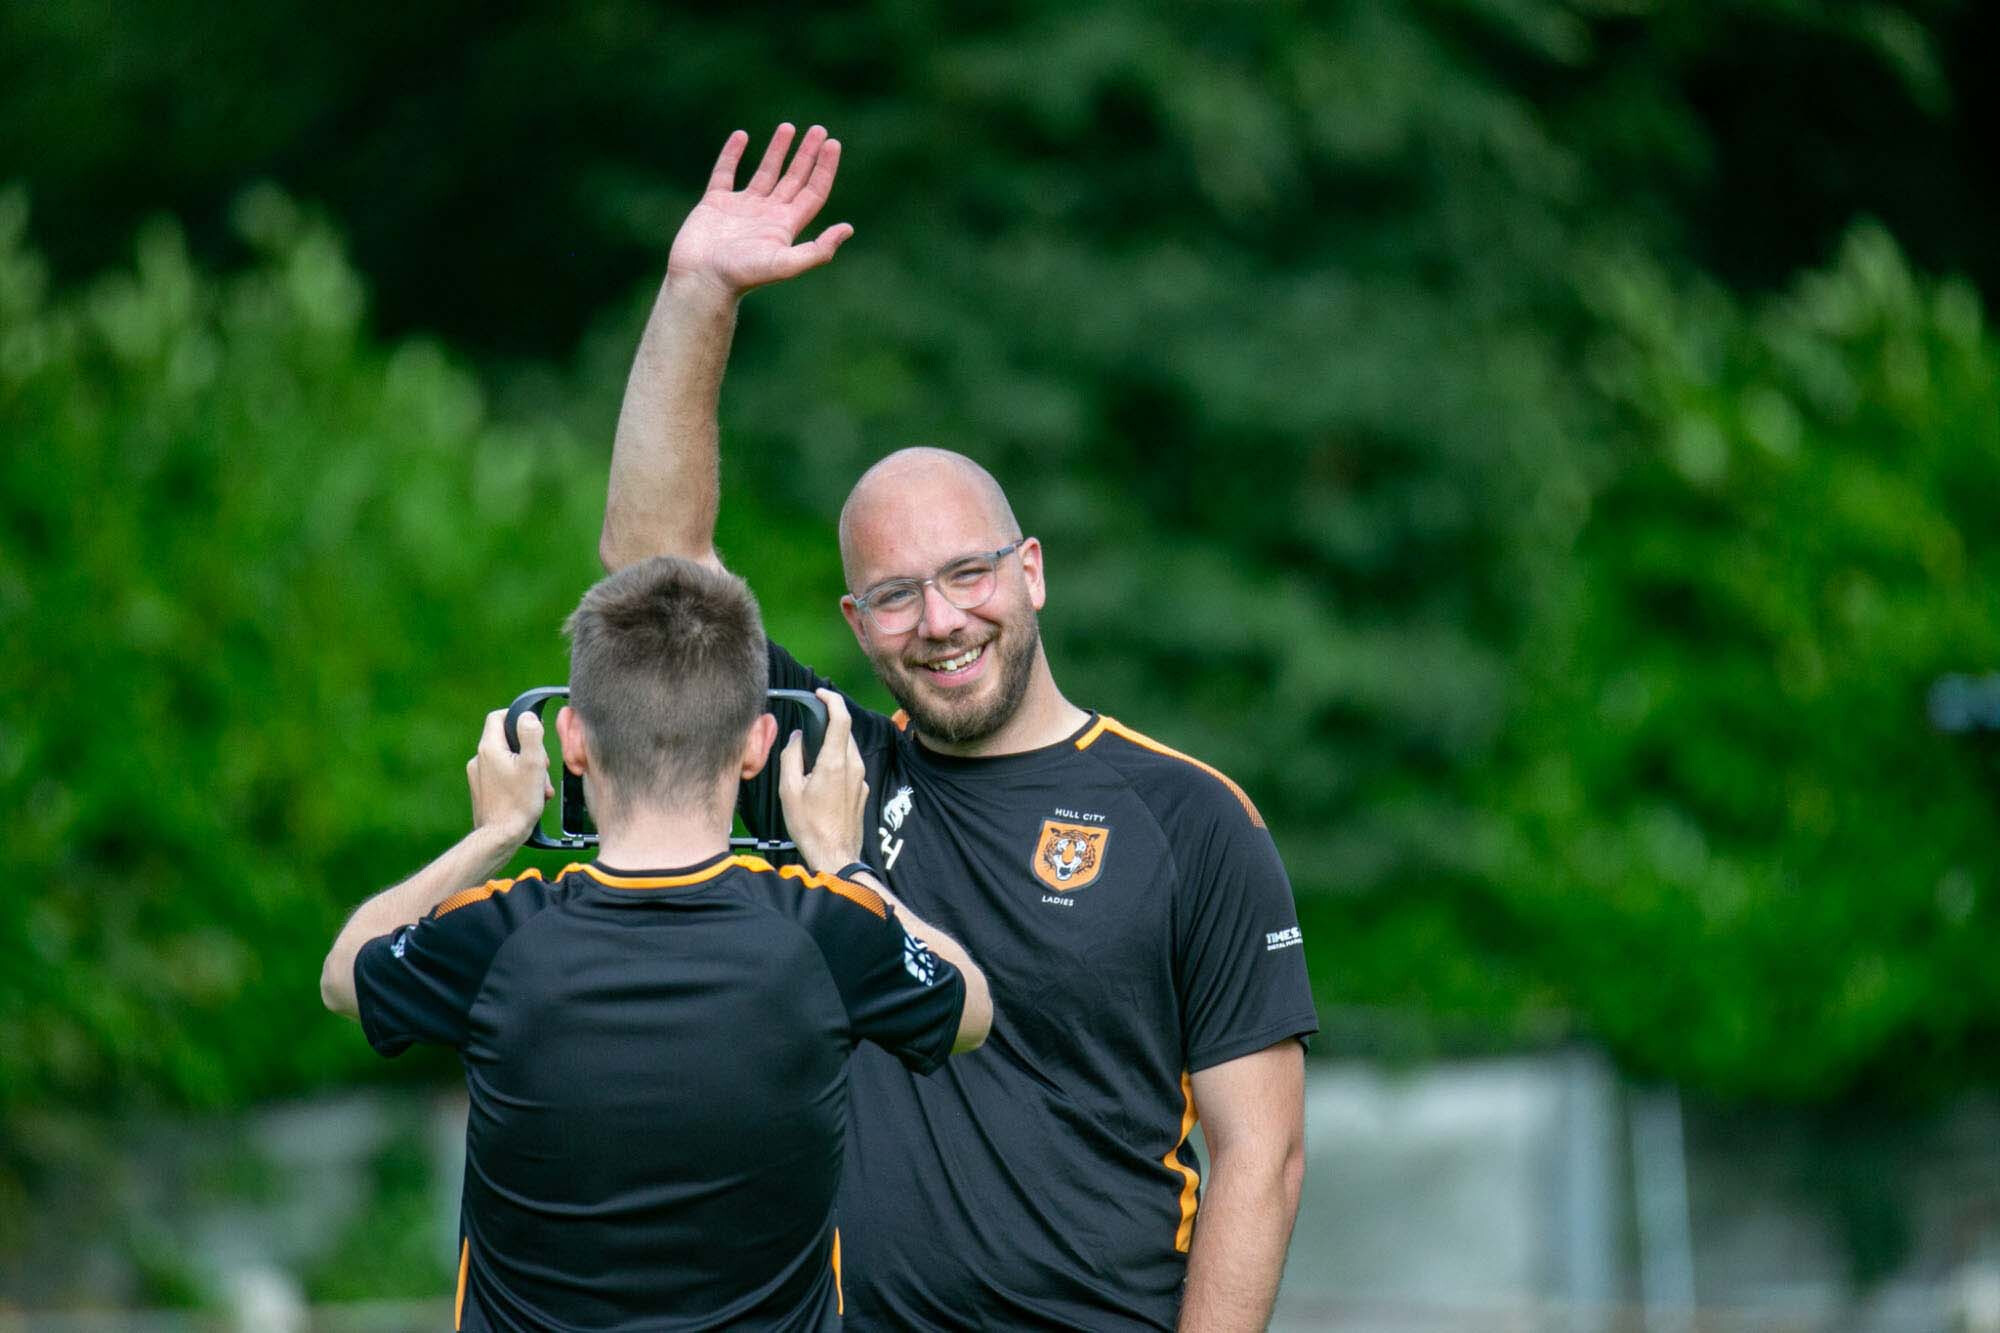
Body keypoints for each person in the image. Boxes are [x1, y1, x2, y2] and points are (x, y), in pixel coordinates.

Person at [599, 125, 1318, 1331]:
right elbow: (648, 564)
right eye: (893, 594)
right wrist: (696, 293)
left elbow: (1263, 1157)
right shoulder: (823, 771)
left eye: (967, 574)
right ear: (855, 619)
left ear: (1030, 571)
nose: (939, 620)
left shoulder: (1189, 818)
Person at [320, 555, 993, 1331]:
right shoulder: (828, 933)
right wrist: (842, 860)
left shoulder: (496, 935)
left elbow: (344, 973)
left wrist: (494, 835)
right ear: (757, 745)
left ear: (571, 737)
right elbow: (969, 1005)